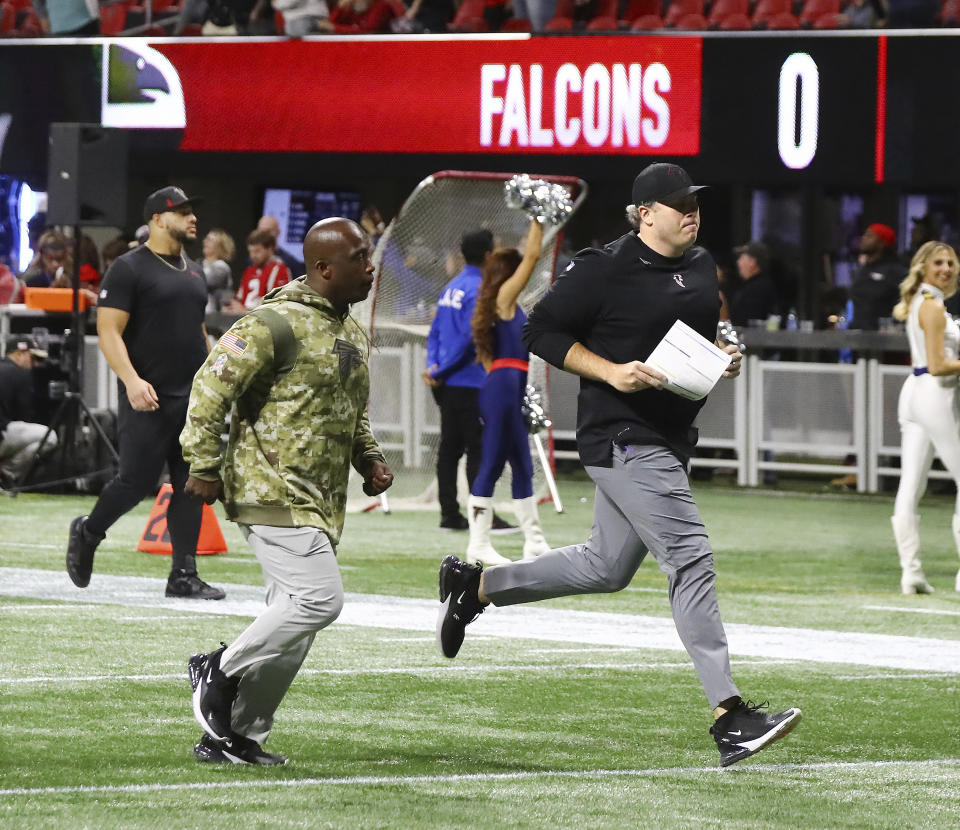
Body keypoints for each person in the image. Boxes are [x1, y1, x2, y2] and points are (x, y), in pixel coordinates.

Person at [435, 162, 802, 768]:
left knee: (604, 567)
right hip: (622, 438)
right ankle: (730, 716)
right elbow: (540, 329)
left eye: (695, 201)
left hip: (668, 435)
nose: (691, 211)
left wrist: (723, 356)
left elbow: (698, 341)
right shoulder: (603, 267)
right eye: (678, 203)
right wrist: (609, 371)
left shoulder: (701, 265)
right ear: (645, 213)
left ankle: (474, 586)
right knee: (690, 559)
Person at [181, 217, 393, 765]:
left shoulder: (350, 330)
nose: (371, 267)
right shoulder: (271, 323)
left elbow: (351, 411)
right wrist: (203, 464)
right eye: (360, 258)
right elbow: (209, 389)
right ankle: (218, 669)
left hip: (321, 499)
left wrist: (367, 456)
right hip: (271, 487)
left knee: (294, 628)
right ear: (324, 268)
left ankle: (236, 736)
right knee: (319, 600)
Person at [65, 186, 225, 601]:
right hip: (148, 395)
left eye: (193, 212)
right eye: (183, 212)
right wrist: (132, 381)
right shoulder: (128, 268)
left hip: (191, 396)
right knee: (134, 482)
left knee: (191, 484)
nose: (192, 219)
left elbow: (198, 329)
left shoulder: (194, 270)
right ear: (157, 218)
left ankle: (183, 574)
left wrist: (212, 382)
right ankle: (89, 531)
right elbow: (108, 331)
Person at [466, 217, 549, 564]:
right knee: (493, 463)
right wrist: (537, 219)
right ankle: (478, 544)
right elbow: (530, 258)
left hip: (510, 386)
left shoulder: (503, 305)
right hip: (503, 387)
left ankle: (535, 541)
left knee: (522, 465)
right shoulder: (503, 298)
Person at [424, 228, 515, 534]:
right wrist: (442, 370)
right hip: (470, 381)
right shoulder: (480, 290)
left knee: (450, 449)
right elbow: (470, 341)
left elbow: (435, 332)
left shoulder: (451, 288)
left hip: (447, 383)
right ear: (489, 255)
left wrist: (433, 368)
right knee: (480, 449)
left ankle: (449, 514)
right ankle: (482, 516)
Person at [890, 240, 960, 595]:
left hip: (916, 392)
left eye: (950, 262)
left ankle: (911, 573)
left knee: (911, 485)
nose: (946, 268)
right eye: (938, 262)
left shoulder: (926, 302)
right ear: (923, 267)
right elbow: (938, 364)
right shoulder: (931, 306)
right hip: (935, 392)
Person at [0, 336, 57, 485]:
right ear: (20, 353)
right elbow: (23, 415)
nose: (35, 365)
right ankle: (6, 474)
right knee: (49, 436)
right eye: (33, 358)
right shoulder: (19, 373)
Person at [849, 223, 906, 331]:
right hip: (858, 337)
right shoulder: (863, 269)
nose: (863, 238)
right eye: (864, 235)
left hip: (883, 339)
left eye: (869, 236)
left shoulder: (896, 271)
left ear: (882, 243)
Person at [222, 230, 291, 314]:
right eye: (250, 251)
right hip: (245, 319)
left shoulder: (280, 269)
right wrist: (231, 307)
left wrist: (246, 311)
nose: (253, 256)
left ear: (270, 249)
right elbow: (239, 299)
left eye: (257, 251)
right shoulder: (249, 270)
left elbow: (278, 305)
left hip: (262, 321)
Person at [728, 241, 778, 329]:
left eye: (741, 258)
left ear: (752, 262)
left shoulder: (758, 289)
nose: (738, 262)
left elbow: (748, 324)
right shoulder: (751, 285)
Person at [200, 228, 235, 313]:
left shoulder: (222, 267)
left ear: (220, 245)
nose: (205, 241)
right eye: (206, 239)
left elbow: (204, 282)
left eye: (210, 240)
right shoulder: (200, 264)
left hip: (215, 318)